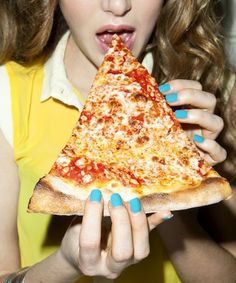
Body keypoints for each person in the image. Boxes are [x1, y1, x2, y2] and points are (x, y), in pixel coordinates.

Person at [0, 1, 235, 283]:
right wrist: (65, 262)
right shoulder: (7, 93)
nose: (117, 5)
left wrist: (172, 184)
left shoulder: (212, 93)